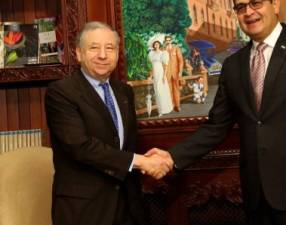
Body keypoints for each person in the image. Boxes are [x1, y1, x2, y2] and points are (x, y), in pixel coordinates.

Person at [147, 0, 286, 225]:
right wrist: (172, 157)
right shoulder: (233, 65)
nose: (248, 12)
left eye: (255, 3)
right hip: (256, 195)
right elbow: (216, 126)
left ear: (275, 5)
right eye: (241, 7)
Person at [45, 21, 172, 225]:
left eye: (110, 48)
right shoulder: (61, 92)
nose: (103, 55)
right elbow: (80, 146)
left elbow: (125, 143)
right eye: (94, 47)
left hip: (128, 205)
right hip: (85, 209)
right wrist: (141, 161)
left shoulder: (124, 91)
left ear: (117, 54)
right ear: (78, 53)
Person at [148, 40, 173, 117]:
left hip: (161, 73)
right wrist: (150, 76)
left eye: (157, 44)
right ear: (153, 46)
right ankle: (160, 110)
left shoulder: (163, 53)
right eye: (155, 44)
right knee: (157, 91)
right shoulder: (151, 54)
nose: (156, 45)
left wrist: (164, 76)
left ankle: (166, 109)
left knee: (162, 91)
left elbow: (165, 66)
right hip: (155, 74)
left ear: (159, 45)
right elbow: (151, 67)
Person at [164, 35, 184, 112]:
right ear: (165, 41)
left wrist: (180, 71)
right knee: (168, 90)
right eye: (167, 40)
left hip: (175, 72)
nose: (168, 41)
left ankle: (177, 105)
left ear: (171, 40)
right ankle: (171, 105)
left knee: (176, 89)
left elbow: (181, 61)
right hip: (167, 73)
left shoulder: (176, 48)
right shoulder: (163, 50)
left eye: (169, 40)